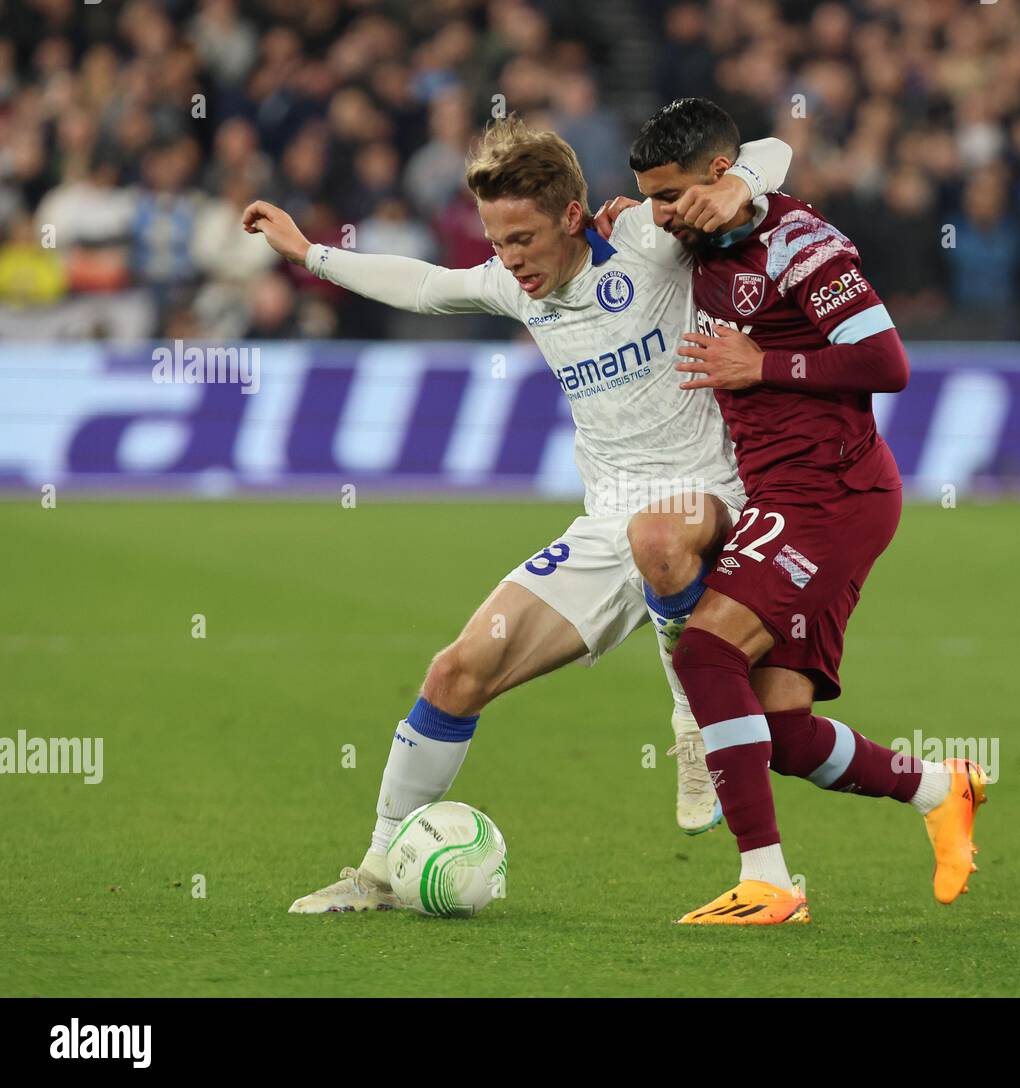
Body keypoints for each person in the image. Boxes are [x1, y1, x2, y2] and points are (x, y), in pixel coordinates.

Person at [243, 115, 793, 911]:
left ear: (574, 216)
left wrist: (738, 182)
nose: (510, 260)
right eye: (497, 241)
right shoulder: (512, 285)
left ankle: (690, 716)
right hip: (607, 527)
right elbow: (428, 285)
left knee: (660, 536)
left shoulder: (647, 238)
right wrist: (309, 254)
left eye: (524, 239)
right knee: (456, 671)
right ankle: (376, 872)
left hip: (709, 499)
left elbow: (773, 152)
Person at [618, 98, 989, 925]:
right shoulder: (701, 232)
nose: (661, 214)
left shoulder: (801, 244)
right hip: (781, 496)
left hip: (830, 492)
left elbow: (887, 362)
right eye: (650, 197)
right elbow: (764, 157)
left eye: (671, 195)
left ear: (719, 175)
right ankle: (942, 786)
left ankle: (768, 881)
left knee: (707, 654)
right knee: (779, 732)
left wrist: (765, 365)